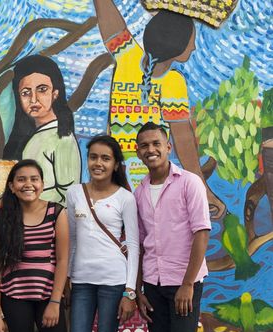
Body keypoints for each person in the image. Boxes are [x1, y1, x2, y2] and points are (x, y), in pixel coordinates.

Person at [93, 0, 225, 217]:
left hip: (115, 173)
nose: (193, 47)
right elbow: (184, 142)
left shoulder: (127, 56)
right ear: (176, 45)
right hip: (150, 178)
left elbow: (106, 13)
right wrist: (205, 192)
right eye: (190, 41)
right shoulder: (172, 82)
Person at [133, 122, 210, 332]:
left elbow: (201, 233)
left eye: (156, 143)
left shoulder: (190, 183)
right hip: (154, 285)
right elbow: (142, 244)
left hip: (183, 283)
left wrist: (188, 284)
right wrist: (139, 290)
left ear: (168, 146)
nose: (150, 149)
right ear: (137, 151)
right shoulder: (139, 192)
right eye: (144, 145)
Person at [66, 135, 140, 332]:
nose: (98, 163)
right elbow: (72, 240)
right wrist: (67, 277)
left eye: (105, 158)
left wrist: (130, 292)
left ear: (116, 164)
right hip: (81, 283)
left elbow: (133, 246)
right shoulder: (75, 193)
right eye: (94, 157)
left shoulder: (125, 198)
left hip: (113, 282)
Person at [0, 159, 69, 332]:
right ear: (12, 186)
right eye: (21, 179)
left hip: (47, 296)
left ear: (42, 184)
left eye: (34, 179)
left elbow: (62, 260)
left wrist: (55, 300)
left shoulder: (56, 212)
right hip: (14, 296)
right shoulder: (3, 215)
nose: (28, 184)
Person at [2, 54, 80, 205]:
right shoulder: (28, 136)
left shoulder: (62, 138)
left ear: (55, 93)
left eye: (42, 90)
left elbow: (67, 195)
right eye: (25, 92)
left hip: (48, 222)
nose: (33, 99)